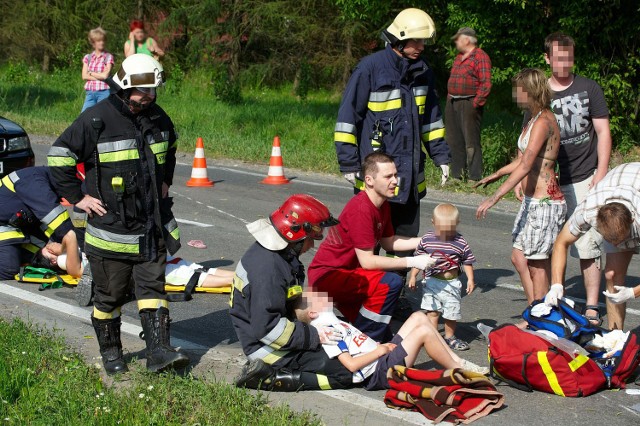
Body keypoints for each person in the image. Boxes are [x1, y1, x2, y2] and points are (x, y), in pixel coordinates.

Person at [47, 54, 186, 375]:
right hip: (110, 232)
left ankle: (159, 353)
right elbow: (58, 156)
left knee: (154, 290)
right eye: (144, 90)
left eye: (154, 89)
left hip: (151, 228)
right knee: (109, 297)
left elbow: (171, 149)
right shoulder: (97, 119)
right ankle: (112, 354)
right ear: (125, 87)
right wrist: (78, 197)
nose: (150, 96)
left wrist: (165, 181)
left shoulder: (159, 118)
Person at [334, 8, 451, 249]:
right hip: (377, 176)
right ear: (399, 38)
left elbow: (431, 120)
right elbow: (348, 119)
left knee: (405, 242)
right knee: (368, 244)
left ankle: (399, 288)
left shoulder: (423, 72)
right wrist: (348, 162)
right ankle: (365, 287)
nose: (421, 46)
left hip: (409, 180)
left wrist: (441, 156)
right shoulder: (369, 68)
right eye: (416, 40)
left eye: (423, 41)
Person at [523, 32, 612, 325]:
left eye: (569, 57)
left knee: (587, 242)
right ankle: (549, 302)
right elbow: (528, 140)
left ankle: (590, 305)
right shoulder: (540, 94)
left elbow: (602, 132)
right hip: (547, 183)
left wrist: (601, 172)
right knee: (545, 243)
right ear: (547, 58)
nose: (565, 62)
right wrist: (525, 180)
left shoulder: (589, 88)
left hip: (584, 176)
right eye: (559, 57)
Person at [231, 194, 353, 392]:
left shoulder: (280, 255)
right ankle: (268, 377)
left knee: (345, 346)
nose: (312, 245)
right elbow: (268, 329)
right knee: (345, 373)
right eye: (310, 239)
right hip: (266, 348)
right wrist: (315, 336)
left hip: (280, 335)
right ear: (294, 235)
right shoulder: (268, 269)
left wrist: (311, 313)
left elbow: (283, 301)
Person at [308, 153, 436, 342]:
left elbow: (389, 242)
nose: (395, 181)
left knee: (380, 332)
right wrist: (413, 261)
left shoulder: (382, 204)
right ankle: (366, 342)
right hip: (329, 276)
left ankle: (362, 338)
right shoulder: (362, 208)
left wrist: (426, 241)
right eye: (388, 177)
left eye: (395, 175)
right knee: (391, 283)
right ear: (369, 180)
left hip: (347, 274)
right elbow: (368, 262)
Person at [474, 68, 566, 304]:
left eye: (518, 90)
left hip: (544, 202)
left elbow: (526, 164)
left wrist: (494, 198)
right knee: (519, 257)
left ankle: (542, 317)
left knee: (537, 263)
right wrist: (496, 174)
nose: (515, 95)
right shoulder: (532, 119)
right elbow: (523, 159)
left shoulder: (544, 121)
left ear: (530, 91)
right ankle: (535, 310)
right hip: (531, 201)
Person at [294, 291, 488, 391]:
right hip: (380, 371)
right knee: (423, 332)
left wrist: (379, 348)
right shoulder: (327, 332)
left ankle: (457, 362)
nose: (322, 295)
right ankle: (461, 372)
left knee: (419, 317)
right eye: (317, 297)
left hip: (381, 358)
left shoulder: (334, 323)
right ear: (313, 313)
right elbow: (351, 365)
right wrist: (379, 351)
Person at [550, 163, 640, 330]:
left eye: (620, 240)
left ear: (632, 221)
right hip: (617, 180)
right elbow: (561, 243)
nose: (617, 246)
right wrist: (556, 285)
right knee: (612, 275)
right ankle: (616, 336)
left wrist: (633, 292)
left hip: (635, 187)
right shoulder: (589, 211)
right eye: (610, 240)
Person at [408, 203, 476, 351]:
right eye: (441, 229)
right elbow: (419, 259)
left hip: (452, 283)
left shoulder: (460, 241)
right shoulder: (427, 239)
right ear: (433, 222)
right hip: (431, 282)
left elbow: (467, 261)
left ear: (456, 224)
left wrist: (470, 279)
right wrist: (413, 276)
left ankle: (449, 337)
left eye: (449, 230)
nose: (445, 233)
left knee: (451, 312)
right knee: (432, 312)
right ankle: (433, 337)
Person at [0, 167, 75, 280]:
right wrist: (73, 246)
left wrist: (64, 245)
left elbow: (50, 227)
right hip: (4, 226)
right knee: (8, 269)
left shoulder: (48, 183)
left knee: (31, 255)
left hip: (16, 226)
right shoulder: (33, 181)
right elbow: (56, 219)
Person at [446, 27, 492, 183]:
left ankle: (474, 176)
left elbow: (485, 83)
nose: (456, 42)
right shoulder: (459, 57)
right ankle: (456, 175)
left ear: (466, 39)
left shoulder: (480, 57)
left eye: (458, 39)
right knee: (454, 139)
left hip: (469, 102)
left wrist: (475, 103)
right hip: (453, 101)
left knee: (471, 140)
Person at [81, 27, 114, 112]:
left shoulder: (108, 57)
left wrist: (91, 73)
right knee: (84, 115)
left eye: (103, 40)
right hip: (90, 93)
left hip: (104, 92)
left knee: (103, 115)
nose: (102, 43)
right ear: (93, 42)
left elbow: (105, 76)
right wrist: (100, 76)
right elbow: (84, 76)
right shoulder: (87, 58)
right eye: (99, 41)